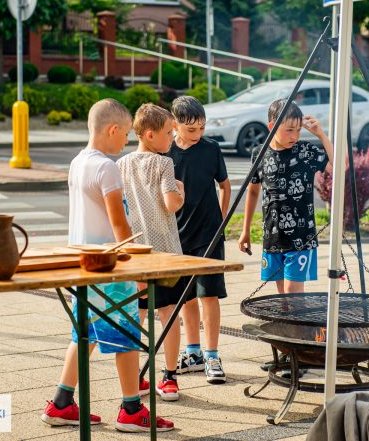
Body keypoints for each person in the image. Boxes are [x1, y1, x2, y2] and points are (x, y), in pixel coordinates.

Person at [42, 99, 173, 433]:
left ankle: (61, 403)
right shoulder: (106, 167)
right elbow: (120, 228)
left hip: (83, 265)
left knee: (83, 334)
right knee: (127, 336)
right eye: (126, 133)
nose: (126, 141)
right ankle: (131, 410)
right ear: (112, 129)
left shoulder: (78, 163)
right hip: (110, 268)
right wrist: (137, 271)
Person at [117, 103, 185, 402]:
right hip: (164, 253)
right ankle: (169, 376)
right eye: (169, 133)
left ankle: (136, 377)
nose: (173, 138)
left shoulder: (121, 164)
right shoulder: (164, 164)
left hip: (134, 250)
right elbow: (171, 204)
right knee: (168, 314)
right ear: (150, 134)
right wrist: (181, 191)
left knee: (138, 313)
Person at [238, 98, 333, 294]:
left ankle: (299, 325)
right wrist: (245, 230)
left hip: (301, 235)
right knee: (281, 295)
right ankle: (290, 325)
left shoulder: (304, 151)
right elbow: (253, 190)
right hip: (272, 235)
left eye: (298, 130)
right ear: (272, 126)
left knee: (293, 293)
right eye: (289, 130)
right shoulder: (260, 152)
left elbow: (338, 166)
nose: (295, 136)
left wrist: (321, 135)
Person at [167, 96, 231, 384]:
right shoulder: (165, 153)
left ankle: (212, 355)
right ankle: (192, 353)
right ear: (175, 124)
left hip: (209, 233)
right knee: (186, 298)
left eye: (202, 128)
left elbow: (225, 185)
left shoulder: (210, 149)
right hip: (178, 235)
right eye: (191, 130)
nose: (198, 135)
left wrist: (223, 219)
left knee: (209, 295)